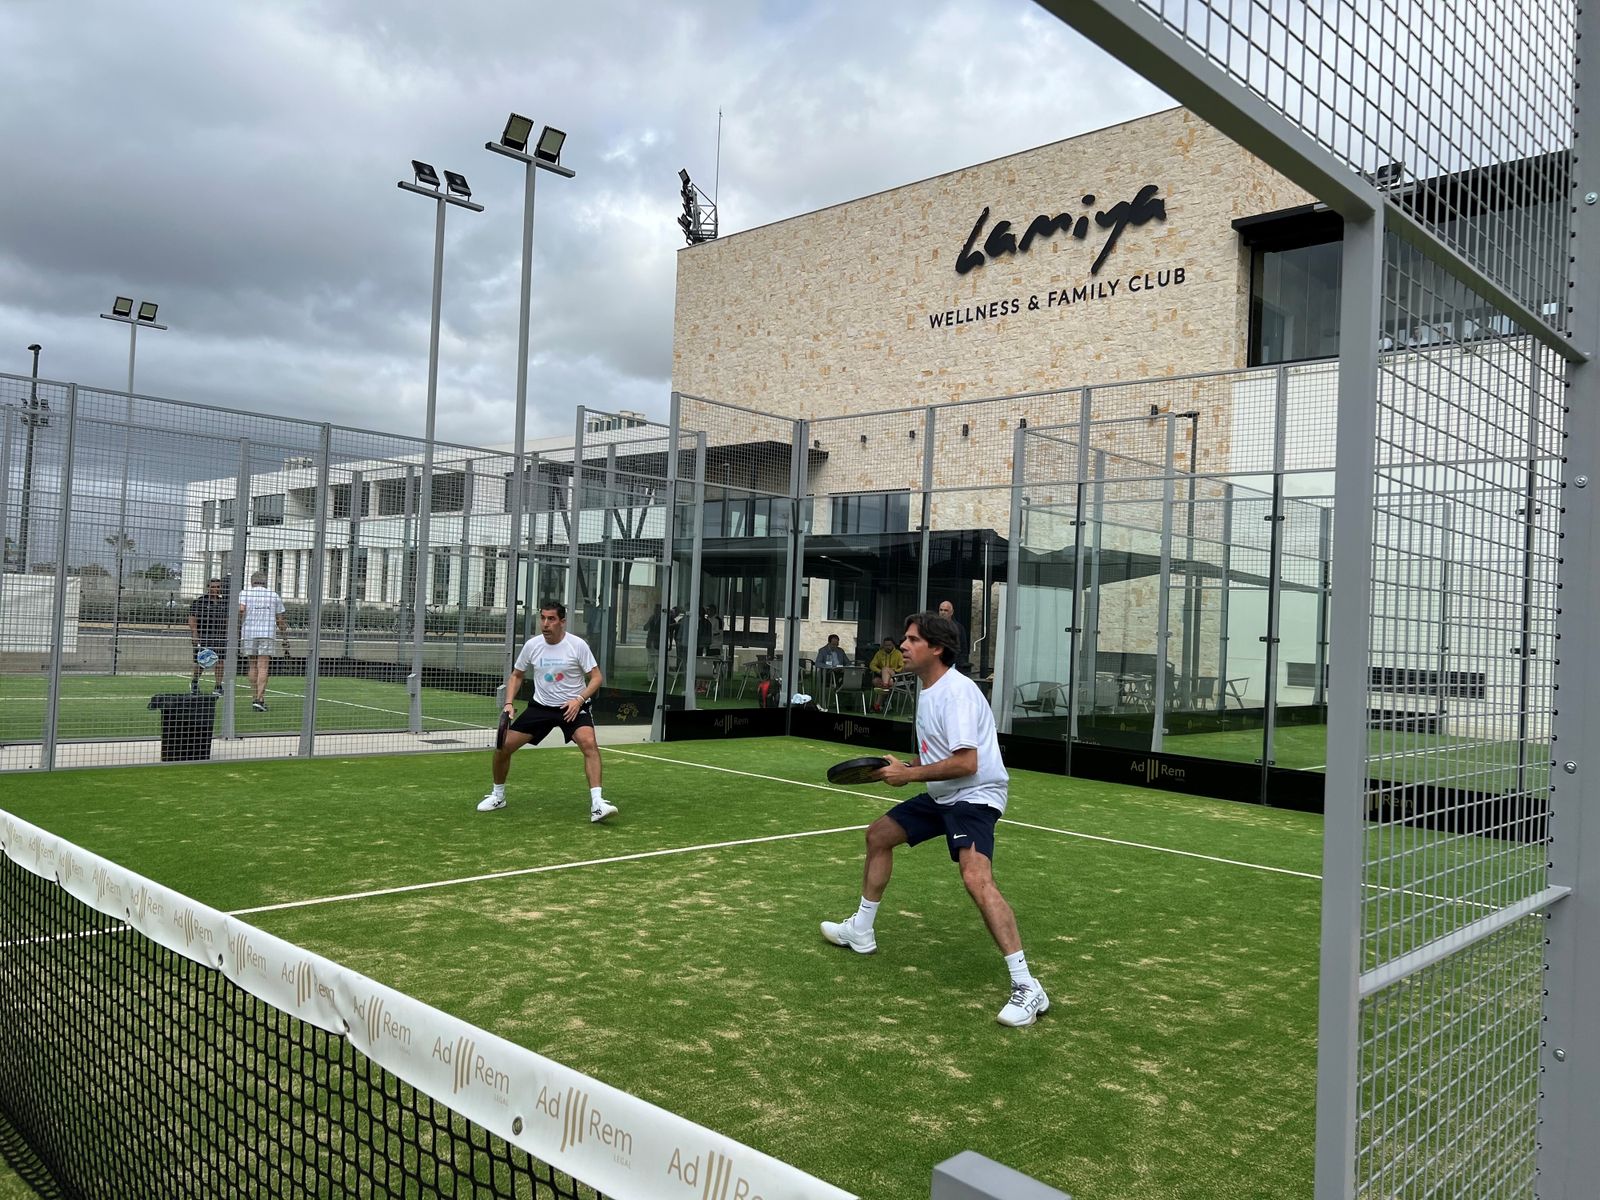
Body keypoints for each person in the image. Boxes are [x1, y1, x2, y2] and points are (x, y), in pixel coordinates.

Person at [820, 611, 1047, 1027]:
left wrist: (909, 777)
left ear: (937, 648)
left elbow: (967, 763)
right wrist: (904, 767)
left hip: (975, 797)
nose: (903, 646)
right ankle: (861, 930)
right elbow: (938, 755)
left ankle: (1027, 986)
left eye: (912, 640)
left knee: (976, 879)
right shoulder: (929, 689)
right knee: (879, 835)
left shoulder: (956, 693)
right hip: (943, 793)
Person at [479, 600, 616, 823]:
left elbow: (596, 678)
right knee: (503, 746)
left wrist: (579, 699)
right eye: (542, 618)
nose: (545, 623)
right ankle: (498, 796)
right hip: (541, 707)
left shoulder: (577, 645)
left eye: (551, 619)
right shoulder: (532, 645)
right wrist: (508, 703)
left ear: (562, 621)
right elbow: (516, 675)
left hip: (572, 707)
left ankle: (598, 804)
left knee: (589, 743)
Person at [238, 571, 288, 713]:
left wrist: (240, 625)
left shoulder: (245, 593)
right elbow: (280, 620)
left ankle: (254, 697)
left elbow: (241, 610)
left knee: (252, 665)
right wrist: (284, 638)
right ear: (265, 582)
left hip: (249, 632)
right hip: (267, 633)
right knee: (263, 666)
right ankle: (260, 699)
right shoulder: (273, 595)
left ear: (252, 582)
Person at [187, 577, 230, 697]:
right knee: (202, 661)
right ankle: (195, 682)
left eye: (218, 587)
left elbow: (227, 620)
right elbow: (192, 619)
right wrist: (195, 634)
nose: (216, 589)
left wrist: (227, 634)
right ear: (208, 587)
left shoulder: (224, 603)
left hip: (219, 636)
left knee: (220, 661)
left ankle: (218, 686)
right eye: (213, 587)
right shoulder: (200, 602)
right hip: (204, 635)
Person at [868, 634, 904, 705]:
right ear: (883, 645)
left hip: (895, 675)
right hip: (887, 679)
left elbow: (902, 666)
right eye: (886, 645)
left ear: (893, 645)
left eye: (889, 645)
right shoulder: (879, 653)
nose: (887, 647)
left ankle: (879, 703)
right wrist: (880, 671)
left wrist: (894, 670)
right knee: (876, 681)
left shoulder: (898, 654)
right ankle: (882, 704)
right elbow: (872, 665)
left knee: (885, 669)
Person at [937, 599, 969, 672]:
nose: (942, 612)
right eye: (941, 610)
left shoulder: (958, 628)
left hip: (953, 664)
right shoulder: (933, 626)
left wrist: (959, 664)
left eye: (946, 610)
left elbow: (963, 648)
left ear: (951, 612)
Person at [815, 633, 849, 698]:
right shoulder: (823, 651)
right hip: (828, 672)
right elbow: (818, 663)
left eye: (837, 644)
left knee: (848, 676)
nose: (835, 646)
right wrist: (830, 667)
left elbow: (847, 662)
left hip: (840, 671)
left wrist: (844, 667)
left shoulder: (840, 651)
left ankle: (842, 693)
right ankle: (839, 692)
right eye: (833, 644)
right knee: (838, 677)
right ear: (829, 643)